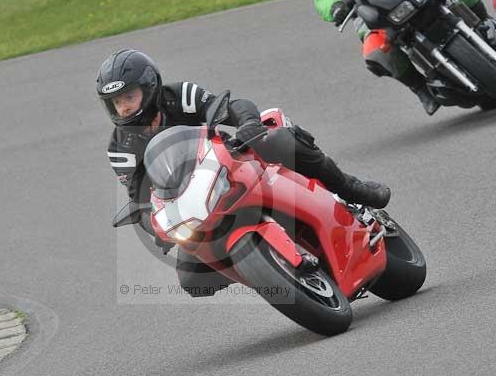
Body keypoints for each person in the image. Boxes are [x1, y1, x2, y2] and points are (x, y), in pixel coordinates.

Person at [100, 49, 390, 296]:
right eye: (117, 102)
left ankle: (350, 189)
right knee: (192, 281)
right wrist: (159, 230)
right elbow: (140, 200)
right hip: (193, 203)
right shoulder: (120, 149)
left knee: (279, 138)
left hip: (227, 163)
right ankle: (273, 273)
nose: (124, 107)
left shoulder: (178, 96)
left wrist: (248, 123)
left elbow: (231, 106)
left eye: (129, 97)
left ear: (149, 88)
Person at [301, 0, 496, 116]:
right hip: (366, 7)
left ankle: (489, 22)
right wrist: (335, 7)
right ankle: (420, 88)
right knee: (376, 50)